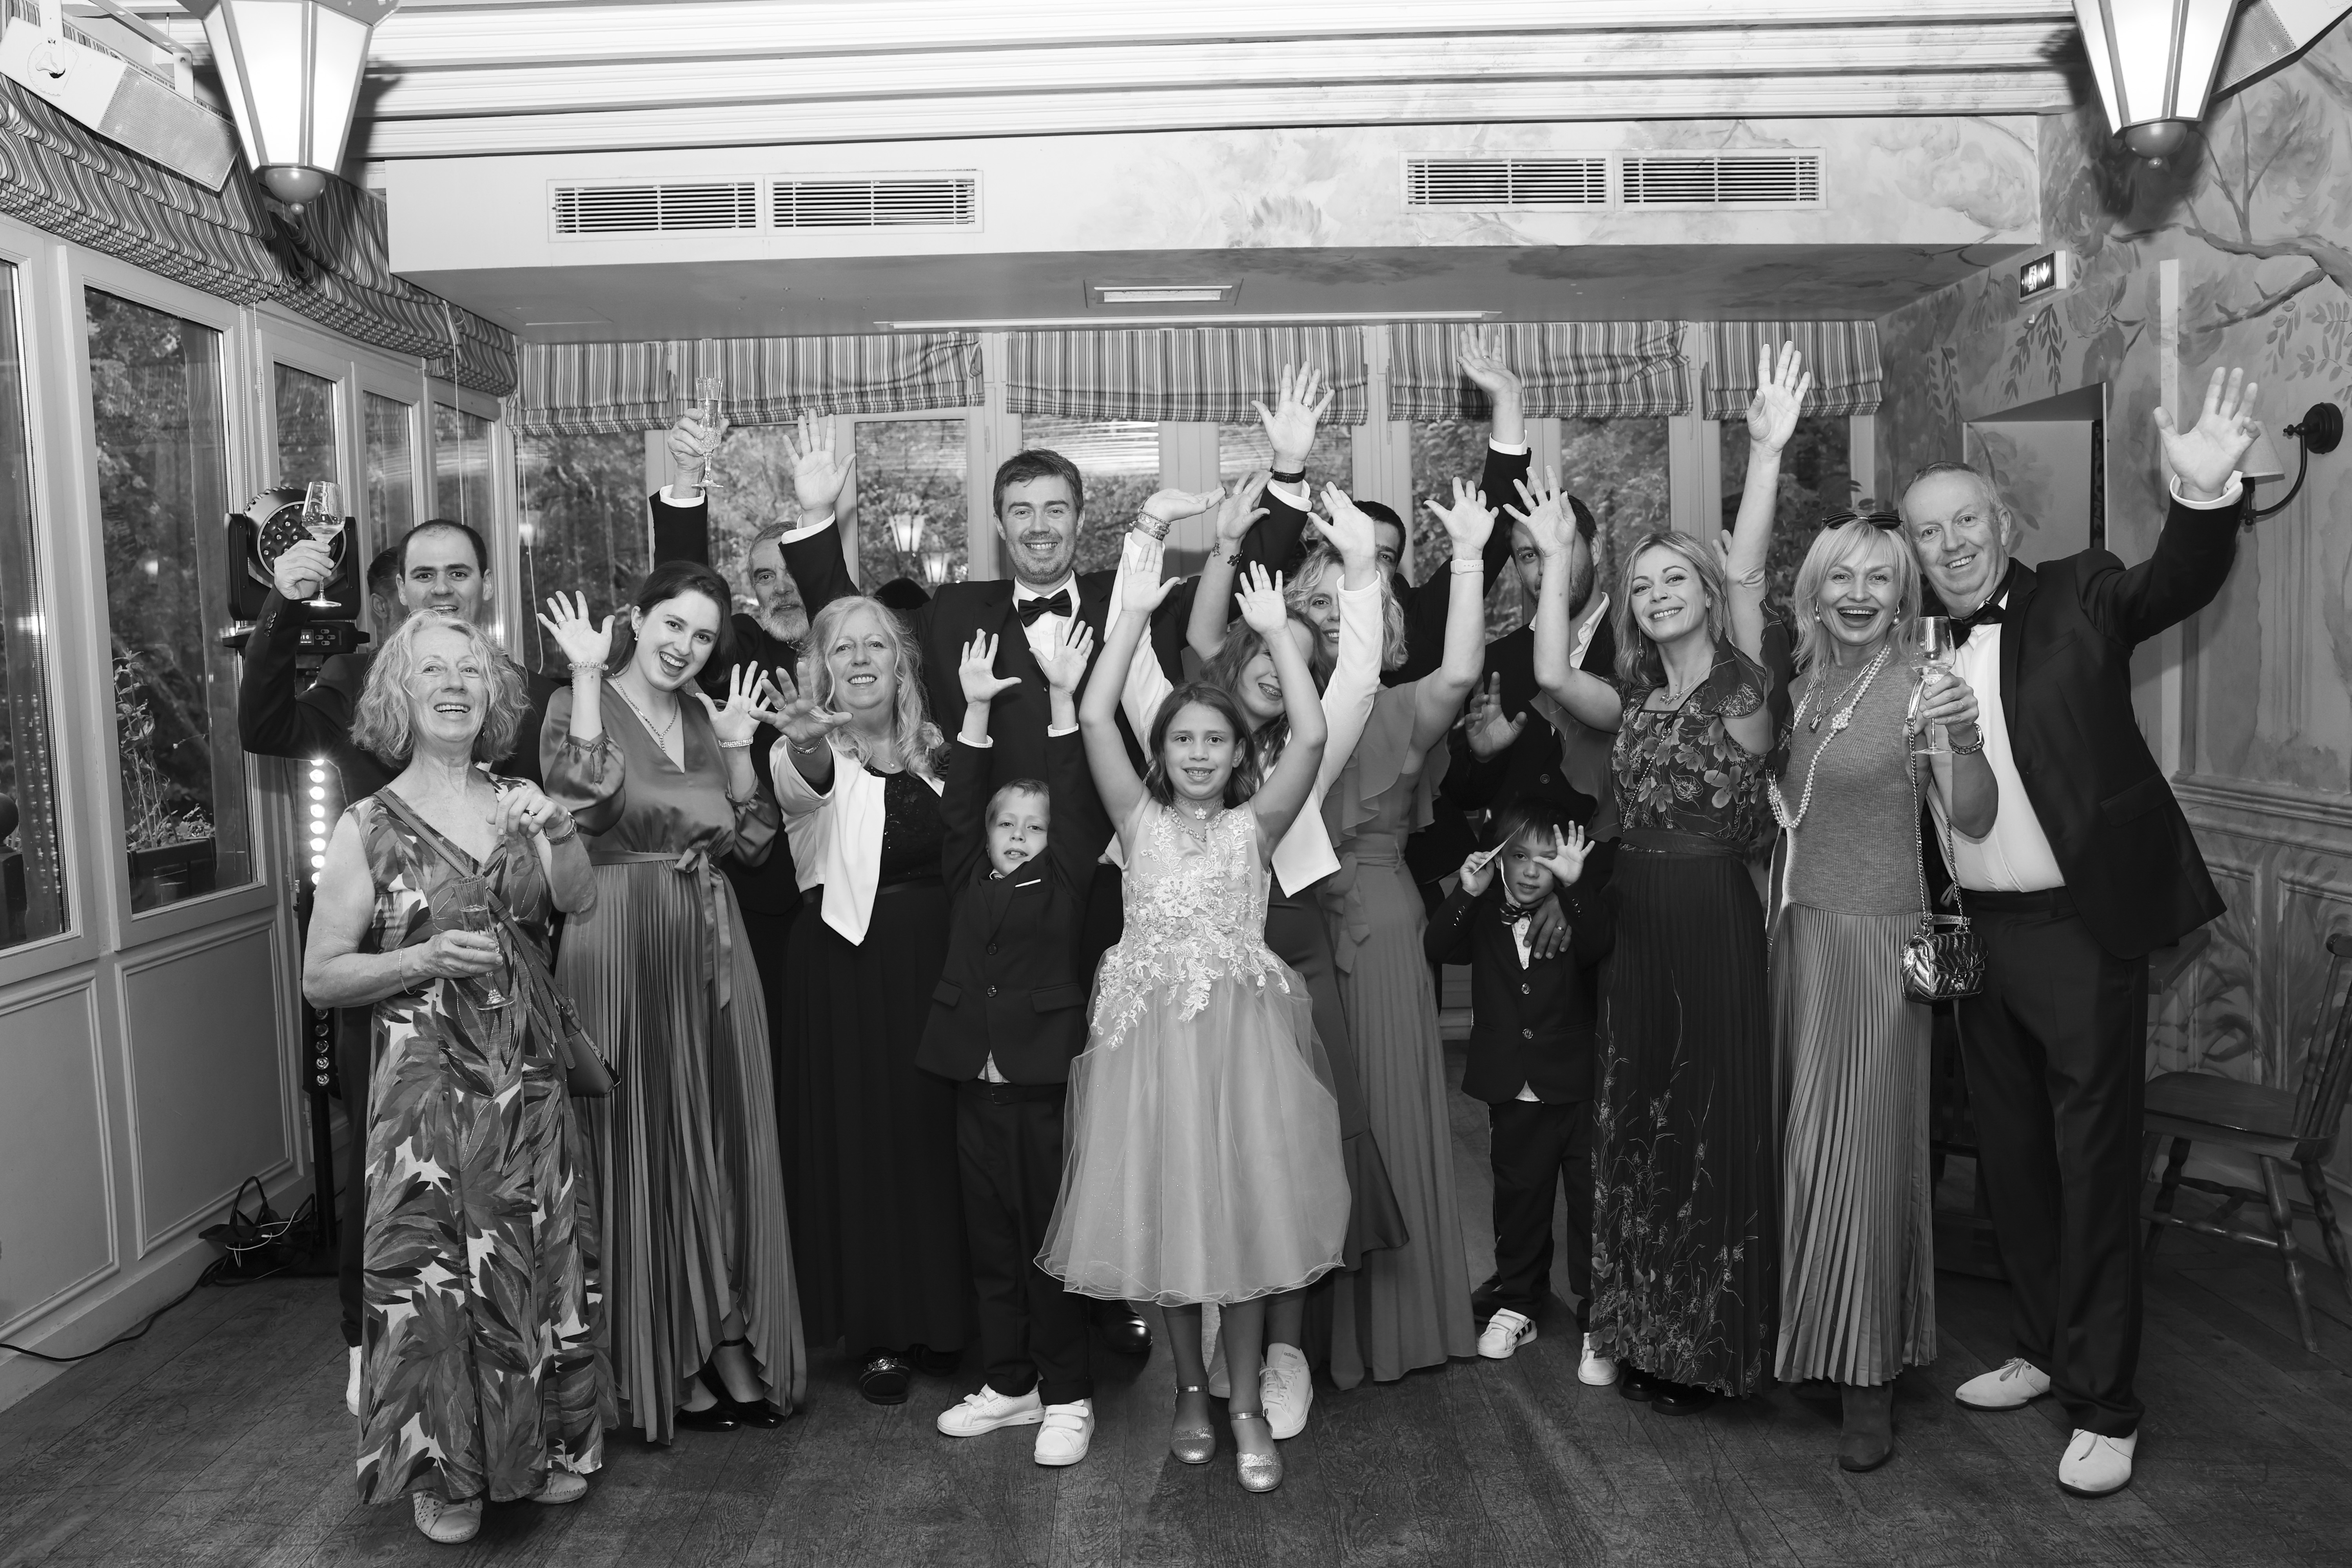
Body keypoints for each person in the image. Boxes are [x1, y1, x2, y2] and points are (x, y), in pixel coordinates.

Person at [732, 397, 1321, 1356]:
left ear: (1080, 519)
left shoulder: (1126, 593)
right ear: (1000, 525)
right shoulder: (953, 613)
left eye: (1056, 509)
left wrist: (1288, 475)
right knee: (986, 1116)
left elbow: (1245, 583)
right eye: (1022, 511)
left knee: (1096, 1098)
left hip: (1092, 891)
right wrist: (812, 518)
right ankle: (999, 1317)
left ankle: (1107, 1291)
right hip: (971, 905)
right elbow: (853, 635)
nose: (1040, 527)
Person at [1902, 367, 2259, 1498]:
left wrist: (2204, 499)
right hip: (1979, 934)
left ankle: (2107, 1404)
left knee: (2092, 1163)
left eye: (1967, 521)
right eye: (1929, 532)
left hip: (2077, 929)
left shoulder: (2080, 591)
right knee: (2011, 1162)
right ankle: (2044, 1347)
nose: (1951, 544)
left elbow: (2173, 584)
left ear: (2004, 524)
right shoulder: (1917, 644)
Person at [1531, 342, 1811, 1415]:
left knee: (1709, 1123)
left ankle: (1709, 1347)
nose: (1656, 595)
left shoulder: (1747, 694)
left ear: (1703, 588)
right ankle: (1638, 1329)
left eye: (1672, 579)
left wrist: (1765, 453)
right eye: (1641, 585)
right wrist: (1556, 560)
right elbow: (1550, 671)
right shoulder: (1635, 705)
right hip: (1637, 926)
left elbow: (1749, 575)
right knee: (1639, 1124)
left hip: (1713, 921)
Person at [1041, 557, 1348, 1495]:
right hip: (1154, 1057)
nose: (1202, 753)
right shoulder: (1137, 822)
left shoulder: (1258, 827)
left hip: (1241, 1054)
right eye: (1184, 738)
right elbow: (1096, 714)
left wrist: (1280, 637)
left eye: (1217, 739)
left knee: (1245, 1218)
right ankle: (1187, 1390)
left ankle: (1245, 1400)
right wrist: (1132, 615)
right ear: (1163, 752)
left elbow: (1313, 732)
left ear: (1238, 752)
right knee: (1172, 1216)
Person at [240, 516, 557, 1415]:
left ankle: (509, 1371)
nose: (442, 587)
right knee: (386, 1170)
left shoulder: (514, 690)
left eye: (459, 572)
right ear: (398, 590)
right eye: (425, 574)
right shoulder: (355, 680)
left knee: (504, 1186)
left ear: (484, 584)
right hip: (383, 968)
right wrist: (282, 606)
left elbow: (560, 825)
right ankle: (370, 1343)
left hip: (501, 985)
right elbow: (265, 724)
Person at [301, 613, 606, 1546]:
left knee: (534, 1257)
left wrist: (560, 825)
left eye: (470, 670)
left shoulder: (519, 798)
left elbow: (579, 897)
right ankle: (446, 1472)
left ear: (493, 693)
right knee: (433, 1276)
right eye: (432, 669)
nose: (454, 684)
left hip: (526, 1080)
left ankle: (539, 1447)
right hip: (427, 1097)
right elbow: (322, 975)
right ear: (400, 694)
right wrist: (421, 957)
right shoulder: (367, 824)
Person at [1115, 482, 1405, 1438]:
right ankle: (1208, 1363)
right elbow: (1126, 669)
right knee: (1192, 1161)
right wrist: (1162, 537)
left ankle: (1282, 1357)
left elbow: (1354, 681)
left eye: (1300, 664)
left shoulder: (1298, 764)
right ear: (1233, 658)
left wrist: (1359, 569)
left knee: (1285, 1159)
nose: (1285, 673)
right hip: (1181, 984)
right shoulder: (1182, 735)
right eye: (1272, 655)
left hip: (1287, 960)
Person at [537, 564, 804, 1444]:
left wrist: (737, 748)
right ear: (637, 617)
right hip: (616, 936)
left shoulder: (701, 714)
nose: (685, 646)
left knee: (719, 1140)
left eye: (703, 636)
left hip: (708, 941)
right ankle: (662, 1357)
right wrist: (585, 675)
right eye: (673, 625)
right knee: (637, 1144)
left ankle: (726, 1337)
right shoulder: (574, 702)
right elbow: (580, 804)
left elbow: (753, 841)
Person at [1763, 514, 1996, 1472]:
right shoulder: (1803, 687)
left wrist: (1965, 736)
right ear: (1815, 592)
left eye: (1881, 579)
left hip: (1878, 945)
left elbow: (1973, 815)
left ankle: (1869, 1381)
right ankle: (1819, 1341)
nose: (1859, 595)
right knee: (1806, 1156)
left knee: (1865, 1160)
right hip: (1799, 940)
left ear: (1904, 596)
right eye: (1842, 577)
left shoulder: (1922, 686)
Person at [1298, 475, 1494, 1390]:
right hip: (1290, 924)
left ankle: (1395, 1327)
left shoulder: (1401, 706)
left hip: (1373, 922)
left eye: (1352, 601)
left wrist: (1469, 557)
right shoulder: (1270, 714)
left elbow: (1461, 671)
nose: (1337, 618)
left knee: (1381, 1114)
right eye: (1320, 605)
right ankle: (1299, 1340)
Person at [760, 593, 967, 1405]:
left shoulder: (937, 751)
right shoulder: (807, 752)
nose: (859, 658)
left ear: (900, 662)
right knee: (866, 1140)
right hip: (847, 969)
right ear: (822, 668)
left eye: (874, 644)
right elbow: (802, 787)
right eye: (841, 648)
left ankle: (942, 1318)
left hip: (935, 968)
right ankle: (879, 1330)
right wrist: (808, 740)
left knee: (932, 1139)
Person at [921, 621, 1106, 1466]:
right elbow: (958, 806)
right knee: (990, 1242)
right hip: (974, 1087)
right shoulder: (967, 874)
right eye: (1008, 824)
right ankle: (1010, 1382)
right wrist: (973, 715)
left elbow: (1073, 795)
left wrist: (1064, 698)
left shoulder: (1064, 882)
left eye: (1035, 825)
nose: (1020, 834)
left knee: (1047, 1245)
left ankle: (1068, 1394)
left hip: (1040, 1091)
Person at [1423, 802, 1612, 1372]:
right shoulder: (1484, 911)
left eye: (1546, 858)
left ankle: (1598, 1318)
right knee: (1518, 1199)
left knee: (1589, 1204)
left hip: (1576, 1085)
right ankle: (1519, 1301)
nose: (1531, 870)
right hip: (1513, 1088)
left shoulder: (1575, 911)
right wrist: (1468, 891)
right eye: (1519, 856)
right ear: (1497, 859)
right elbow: (1437, 948)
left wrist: (1575, 889)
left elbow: (1601, 943)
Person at [695, 523, 809, 1104]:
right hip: (768, 896)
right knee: (771, 1065)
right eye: (766, 576)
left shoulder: (859, 641)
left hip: (859, 892)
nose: (782, 588)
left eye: (793, 572)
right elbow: (690, 604)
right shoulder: (742, 645)